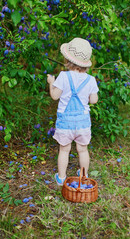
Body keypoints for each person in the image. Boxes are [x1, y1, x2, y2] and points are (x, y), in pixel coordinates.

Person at [47, 38, 99, 186]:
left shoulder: (63, 76)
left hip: (66, 122)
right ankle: (84, 175)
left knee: (64, 149)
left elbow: (55, 96)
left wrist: (51, 83)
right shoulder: (91, 80)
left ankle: (62, 177)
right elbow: (93, 100)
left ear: (67, 59)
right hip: (83, 121)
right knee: (83, 149)